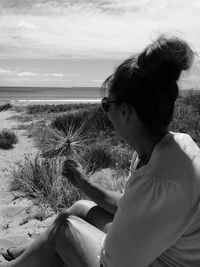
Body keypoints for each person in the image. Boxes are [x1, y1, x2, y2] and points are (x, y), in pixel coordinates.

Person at [1, 34, 200, 267]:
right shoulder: (173, 146)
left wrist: (68, 237)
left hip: (161, 261)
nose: (105, 111)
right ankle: (29, 252)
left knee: (63, 229)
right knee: (79, 208)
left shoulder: (158, 180)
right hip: (159, 247)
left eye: (107, 104)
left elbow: (111, 264)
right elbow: (130, 206)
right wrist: (84, 183)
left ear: (125, 112)